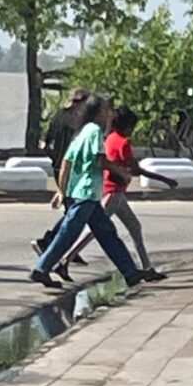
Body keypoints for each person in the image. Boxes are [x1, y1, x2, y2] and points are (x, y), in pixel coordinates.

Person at [29, 94, 142, 290]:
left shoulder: (80, 132)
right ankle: (41, 268)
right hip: (86, 192)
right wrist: (122, 173)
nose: (110, 114)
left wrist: (62, 190)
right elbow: (100, 159)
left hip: (81, 192)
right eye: (107, 110)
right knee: (68, 232)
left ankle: (130, 272)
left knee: (107, 233)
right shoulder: (94, 132)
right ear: (99, 113)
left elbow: (66, 161)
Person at [54, 105, 177, 282]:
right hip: (113, 193)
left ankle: (147, 268)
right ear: (127, 126)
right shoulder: (123, 142)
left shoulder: (110, 138)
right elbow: (136, 169)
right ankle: (65, 260)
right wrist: (165, 180)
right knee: (94, 231)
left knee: (134, 227)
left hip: (113, 192)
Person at [32, 87, 90, 258]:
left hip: (58, 166)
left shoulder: (56, 116)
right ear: (79, 102)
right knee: (75, 211)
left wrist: (54, 159)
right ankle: (49, 241)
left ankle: (64, 245)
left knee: (71, 210)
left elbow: (44, 143)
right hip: (70, 168)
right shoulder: (75, 120)